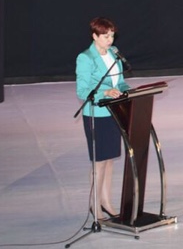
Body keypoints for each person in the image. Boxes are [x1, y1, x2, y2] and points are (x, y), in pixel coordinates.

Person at [75, 17, 130, 218]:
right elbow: (82, 91)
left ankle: (106, 201)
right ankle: (94, 204)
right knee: (99, 161)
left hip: (114, 111)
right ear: (94, 36)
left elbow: (120, 82)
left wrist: (127, 91)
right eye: (105, 36)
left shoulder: (114, 54)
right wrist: (104, 93)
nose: (110, 40)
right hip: (96, 114)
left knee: (109, 160)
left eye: (112, 35)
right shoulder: (85, 58)